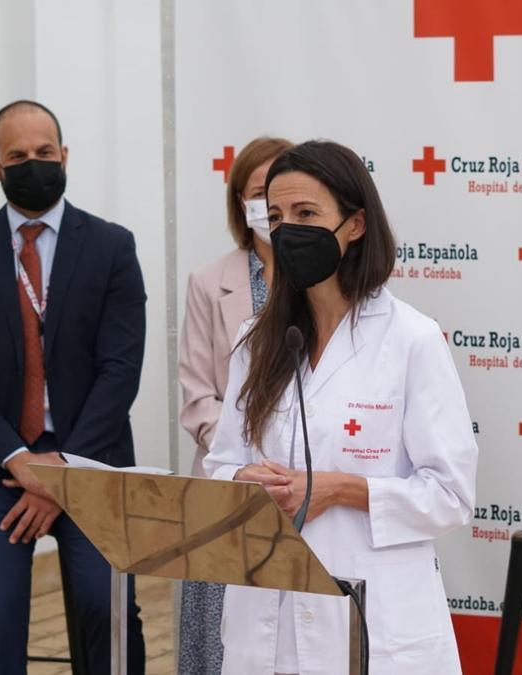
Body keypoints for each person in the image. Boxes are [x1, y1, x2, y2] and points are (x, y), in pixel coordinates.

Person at [203, 140, 478, 674]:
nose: (288, 230)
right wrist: (245, 477)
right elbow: (220, 463)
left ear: (355, 225)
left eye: (306, 213)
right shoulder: (256, 341)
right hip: (267, 612)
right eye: (276, 216)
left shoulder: (411, 340)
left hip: (371, 619)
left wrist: (341, 489)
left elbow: (450, 495)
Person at [0, 100, 147, 675]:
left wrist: (59, 474)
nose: (34, 163)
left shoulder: (111, 247)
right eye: (18, 156)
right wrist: (18, 460)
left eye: (45, 152)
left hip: (92, 461)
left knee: (110, 609)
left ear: (65, 155)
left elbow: (121, 371)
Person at [177, 136, 292, 675]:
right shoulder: (208, 282)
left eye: (284, 191)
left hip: (306, 483)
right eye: (258, 194)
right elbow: (197, 394)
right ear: (239, 205)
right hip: (231, 483)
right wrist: (244, 458)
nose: (271, 206)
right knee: (222, 639)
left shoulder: (327, 278)